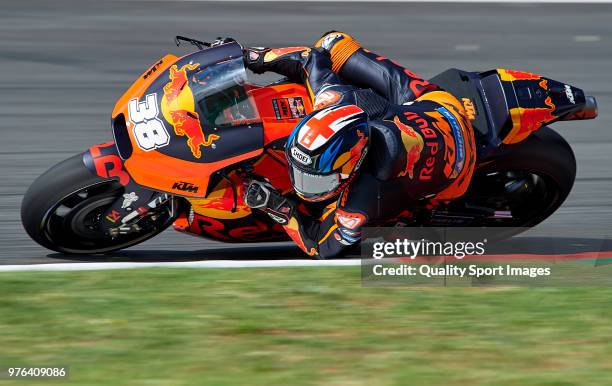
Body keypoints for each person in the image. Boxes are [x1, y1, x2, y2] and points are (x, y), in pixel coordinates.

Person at [242, 31, 476, 259]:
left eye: (317, 179)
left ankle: (411, 221)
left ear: (352, 165)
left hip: (457, 174)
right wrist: (254, 58)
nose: (304, 187)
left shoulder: (360, 202)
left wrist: (275, 206)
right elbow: (308, 58)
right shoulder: (336, 99)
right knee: (332, 43)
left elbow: (320, 246)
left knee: (396, 233)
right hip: (437, 110)